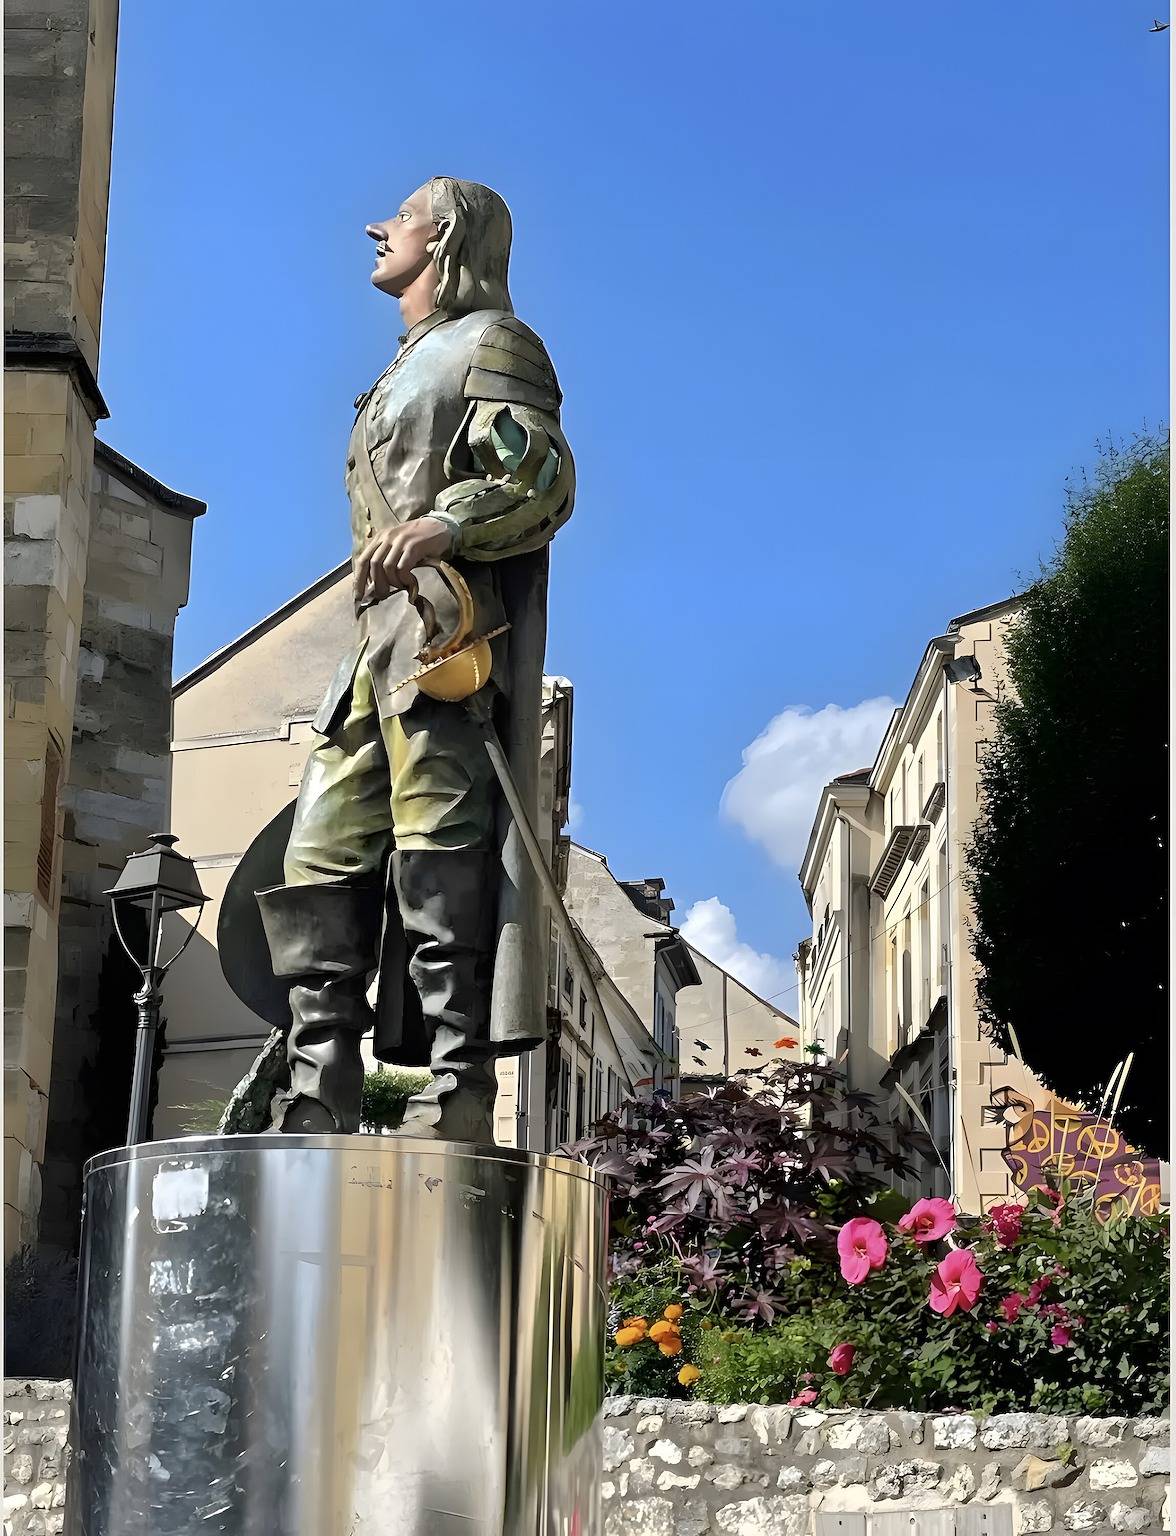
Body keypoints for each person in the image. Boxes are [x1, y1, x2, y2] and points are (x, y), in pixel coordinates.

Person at [255, 177, 574, 1140]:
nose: (375, 228)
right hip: (373, 655)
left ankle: (457, 1085)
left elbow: (542, 474)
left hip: (447, 645)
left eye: (397, 217)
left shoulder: (493, 344)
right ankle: (323, 1079)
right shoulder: (404, 363)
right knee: (318, 852)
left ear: (445, 238)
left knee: (441, 844)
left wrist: (445, 523)